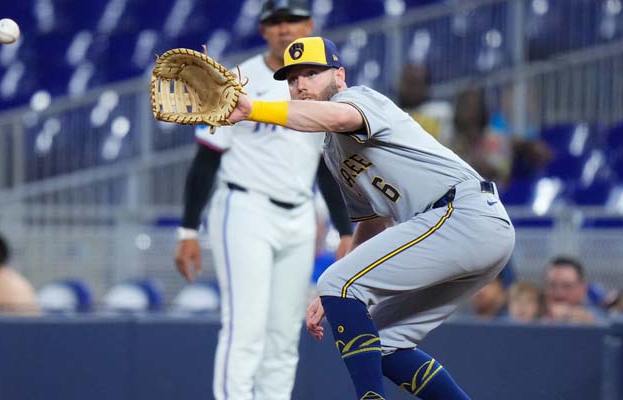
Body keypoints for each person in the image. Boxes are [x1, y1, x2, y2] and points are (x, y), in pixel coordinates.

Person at [226, 36, 515, 400]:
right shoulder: (333, 153)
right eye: (292, 78)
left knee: (340, 284)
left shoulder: (357, 98)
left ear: (340, 75)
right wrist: (332, 291)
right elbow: (372, 221)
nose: (300, 84)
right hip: (467, 228)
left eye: (312, 73)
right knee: (387, 342)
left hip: (460, 213)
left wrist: (254, 109)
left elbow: (336, 116)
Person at [174, 2, 353, 398]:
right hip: (244, 209)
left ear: (309, 24)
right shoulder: (237, 80)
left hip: (300, 216)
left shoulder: (319, 84)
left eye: (293, 20)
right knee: (245, 330)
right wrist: (187, 229)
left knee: (284, 336)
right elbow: (206, 160)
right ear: (263, 30)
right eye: (275, 21)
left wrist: (344, 229)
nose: (284, 28)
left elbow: (323, 166)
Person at [450, 88, 512, 187]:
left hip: (492, 195)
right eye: (464, 107)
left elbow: (498, 172)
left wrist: (470, 147)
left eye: (473, 107)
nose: (468, 113)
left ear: (482, 109)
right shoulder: (449, 140)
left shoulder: (496, 138)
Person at [396, 63, 454, 146]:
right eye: (407, 83)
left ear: (426, 87)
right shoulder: (391, 114)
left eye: (415, 83)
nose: (410, 89)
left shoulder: (441, 113)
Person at [542, 256, 602, 324]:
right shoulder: (533, 313)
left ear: (582, 288)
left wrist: (570, 314)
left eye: (567, 286)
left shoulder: (598, 314)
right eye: (552, 285)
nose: (559, 293)